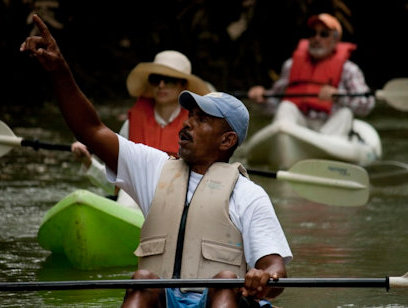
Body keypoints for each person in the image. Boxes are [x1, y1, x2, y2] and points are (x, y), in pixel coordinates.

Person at [21, 15, 292, 307]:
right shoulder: (154, 169)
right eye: (189, 116)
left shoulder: (249, 195)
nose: (187, 124)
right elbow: (90, 129)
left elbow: (275, 266)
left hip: (220, 299)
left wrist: (265, 278)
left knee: (224, 281)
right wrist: (60, 72)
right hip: (164, 300)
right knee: (143, 281)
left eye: (201, 120)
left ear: (227, 141)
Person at [71, 50, 211, 207]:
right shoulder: (131, 125)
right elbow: (117, 183)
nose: (161, 85)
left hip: (177, 198)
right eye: (155, 79)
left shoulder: (196, 129)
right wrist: (89, 162)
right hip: (136, 197)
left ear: (183, 86)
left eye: (169, 80)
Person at [248, 13, 375, 136]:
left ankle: (324, 147)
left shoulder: (349, 69)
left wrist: (339, 96)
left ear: (335, 40)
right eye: (312, 33)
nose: (317, 38)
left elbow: (367, 106)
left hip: (331, 127)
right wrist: (262, 98)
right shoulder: (291, 65)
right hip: (300, 125)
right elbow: (275, 103)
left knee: (345, 112)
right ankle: (286, 141)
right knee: (286, 106)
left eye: (324, 34)